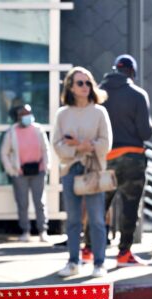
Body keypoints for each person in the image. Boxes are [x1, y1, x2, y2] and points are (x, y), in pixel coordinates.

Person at [84, 54, 152, 266]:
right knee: (130, 206)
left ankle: (87, 250)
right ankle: (124, 253)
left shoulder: (97, 94)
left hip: (103, 157)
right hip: (132, 157)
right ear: (132, 72)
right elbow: (145, 132)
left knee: (98, 206)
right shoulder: (138, 95)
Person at [51, 66, 112, 278]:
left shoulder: (99, 112)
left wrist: (89, 146)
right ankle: (73, 261)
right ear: (71, 86)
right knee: (74, 219)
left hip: (93, 168)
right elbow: (57, 145)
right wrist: (77, 147)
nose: (85, 87)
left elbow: (106, 143)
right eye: (80, 83)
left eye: (88, 82)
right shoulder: (62, 114)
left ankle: (99, 262)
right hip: (70, 169)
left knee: (96, 218)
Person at [0, 104, 51, 242]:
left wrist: (45, 166)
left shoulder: (38, 130)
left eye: (28, 113)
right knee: (22, 202)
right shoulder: (12, 132)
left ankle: (42, 230)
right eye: (23, 114)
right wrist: (12, 170)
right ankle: (25, 230)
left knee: (39, 202)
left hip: (38, 171)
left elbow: (46, 150)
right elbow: (4, 153)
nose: (26, 116)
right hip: (20, 173)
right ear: (18, 117)